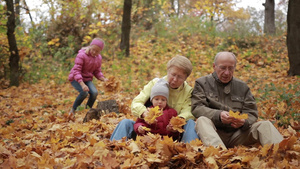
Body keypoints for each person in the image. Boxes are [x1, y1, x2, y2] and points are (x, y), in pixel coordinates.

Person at [191, 51, 283, 149]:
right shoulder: (202, 83)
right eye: (222, 68)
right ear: (214, 66)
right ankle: (220, 154)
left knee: (265, 125)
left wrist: (244, 122)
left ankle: (283, 154)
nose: (227, 72)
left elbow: (251, 112)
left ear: (235, 67)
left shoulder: (242, 87)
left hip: (238, 134)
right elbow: (197, 108)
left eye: (231, 68)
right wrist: (218, 115)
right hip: (214, 132)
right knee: (202, 120)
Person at [110, 55, 199, 143]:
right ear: (168, 71)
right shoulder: (155, 84)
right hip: (148, 130)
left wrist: (177, 121)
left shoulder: (188, 91)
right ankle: (115, 147)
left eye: (180, 77)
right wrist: (144, 113)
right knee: (125, 122)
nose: (175, 79)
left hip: (172, 134)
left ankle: (190, 150)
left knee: (190, 123)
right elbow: (136, 102)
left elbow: (188, 111)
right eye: (173, 74)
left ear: (185, 78)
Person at [68, 38, 107, 115]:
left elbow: (97, 71)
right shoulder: (81, 55)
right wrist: (82, 84)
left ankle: (88, 111)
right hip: (76, 78)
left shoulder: (98, 58)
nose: (94, 52)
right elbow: (76, 71)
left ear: (100, 51)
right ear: (90, 46)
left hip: (87, 79)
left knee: (94, 92)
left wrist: (104, 79)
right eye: (93, 49)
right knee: (84, 92)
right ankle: (73, 110)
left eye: (97, 51)